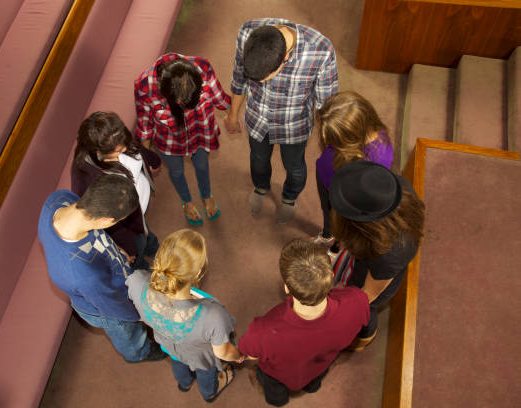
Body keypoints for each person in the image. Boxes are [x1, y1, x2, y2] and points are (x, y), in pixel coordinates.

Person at [38, 174, 167, 363]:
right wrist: (139, 314)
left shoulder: (60, 200)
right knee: (128, 333)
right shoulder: (83, 275)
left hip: (106, 283)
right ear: (107, 220)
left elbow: (94, 232)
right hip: (108, 308)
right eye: (119, 220)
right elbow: (114, 305)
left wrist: (114, 249)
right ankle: (140, 352)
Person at [225, 19, 338, 223]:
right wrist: (233, 115)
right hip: (257, 119)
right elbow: (239, 79)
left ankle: (289, 198)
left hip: (294, 126)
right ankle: (261, 187)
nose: (257, 84)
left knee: (294, 167)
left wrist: (331, 142)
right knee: (258, 161)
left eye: (264, 78)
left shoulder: (321, 51)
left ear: (286, 58)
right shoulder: (247, 32)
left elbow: (326, 105)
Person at [238, 238, 369, 407]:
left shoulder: (263, 330)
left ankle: (279, 401)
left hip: (280, 376)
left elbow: (247, 352)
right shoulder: (357, 300)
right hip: (322, 364)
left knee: (273, 389)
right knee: (316, 377)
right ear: (331, 275)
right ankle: (312, 386)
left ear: (287, 287)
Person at [126, 229, 241, 402]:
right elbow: (223, 353)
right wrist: (238, 356)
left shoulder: (136, 280)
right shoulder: (213, 316)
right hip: (200, 357)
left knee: (178, 362)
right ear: (196, 274)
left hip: (168, 345)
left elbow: (140, 314)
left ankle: (184, 383)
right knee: (206, 372)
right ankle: (208, 393)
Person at [329, 161, 425, 349]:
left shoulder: (389, 253)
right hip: (371, 254)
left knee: (366, 311)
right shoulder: (398, 188)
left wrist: (342, 313)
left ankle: (364, 336)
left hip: (375, 280)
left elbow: (369, 294)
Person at [135, 53, 231, 225]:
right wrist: (147, 155)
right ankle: (186, 201)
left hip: (200, 133)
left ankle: (206, 195)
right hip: (169, 142)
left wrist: (232, 115)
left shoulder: (203, 66)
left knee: (202, 165)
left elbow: (220, 99)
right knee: (177, 172)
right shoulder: (144, 85)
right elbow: (144, 124)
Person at [71, 111, 161, 270]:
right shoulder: (87, 176)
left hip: (139, 215)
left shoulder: (118, 138)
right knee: (139, 254)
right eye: (118, 151)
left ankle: (153, 248)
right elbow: (98, 219)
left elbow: (137, 148)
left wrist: (153, 160)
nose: (125, 148)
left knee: (147, 235)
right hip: (126, 228)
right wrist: (124, 248)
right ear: (99, 152)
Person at [314, 91, 394, 245]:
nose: (329, 142)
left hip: (344, 196)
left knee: (341, 223)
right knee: (327, 211)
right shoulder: (355, 133)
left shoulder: (380, 158)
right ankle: (327, 234)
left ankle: (336, 247)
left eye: (335, 139)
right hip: (326, 178)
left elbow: (357, 207)